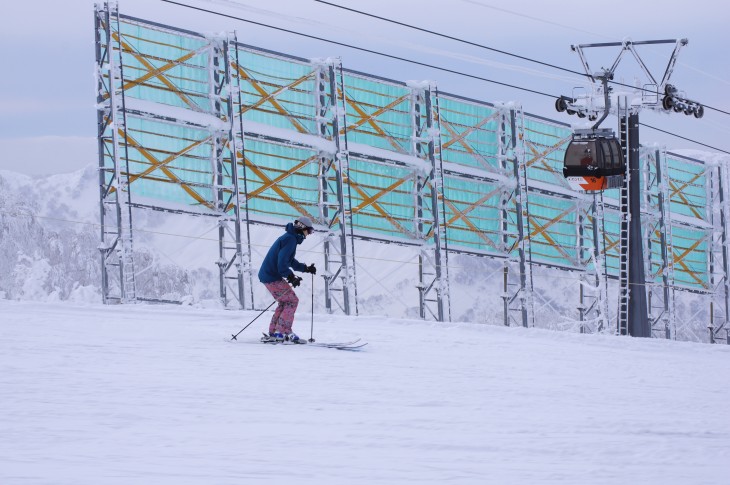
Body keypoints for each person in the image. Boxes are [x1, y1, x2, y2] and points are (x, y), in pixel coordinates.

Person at [258, 216, 317, 342]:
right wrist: (290, 276)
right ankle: (284, 331)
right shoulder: (290, 239)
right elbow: (282, 263)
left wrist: (305, 268)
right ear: (302, 228)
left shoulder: (290, 238)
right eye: (309, 231)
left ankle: (274, 332)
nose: (309, 234)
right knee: (292, 301)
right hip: (271, 275)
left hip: (268, 274)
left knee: (285, 302)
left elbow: (289, 261)